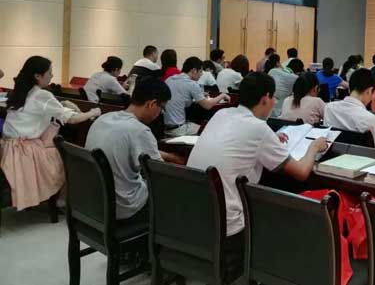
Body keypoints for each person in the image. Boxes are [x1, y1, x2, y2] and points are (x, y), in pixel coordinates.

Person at [187, 73, 328, 281]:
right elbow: (301, 172)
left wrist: (270, 139)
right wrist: (314, 147)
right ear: (265, 98)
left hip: (191, 218)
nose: (275, 102)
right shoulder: (258, 128)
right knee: (287, 215)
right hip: (227, 230)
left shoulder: (221, 114)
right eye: (274, 98)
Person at [1, 56, 101, 210]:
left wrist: (62, 104)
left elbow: (36, 108)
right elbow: (72, 119)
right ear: (37, 75)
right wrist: (93, 112)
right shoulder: (42, 95)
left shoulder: (20, 92)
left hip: (8, 148)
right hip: (24, 152)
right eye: (49, 72)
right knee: (68, 159)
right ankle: (62, 200)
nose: (52, 76)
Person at [85, 77, 183, 220]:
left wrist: (170, 156)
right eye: (162, 108)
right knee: (175, 187)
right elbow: (160, 176)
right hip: (123, 206)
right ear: (152, 104)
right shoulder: (140, 131)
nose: (160, 113)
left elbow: (137, 149)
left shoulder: (103, 119)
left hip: (92, 200)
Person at [163, 57, 230, 136]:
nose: (201, 74)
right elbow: (207, 105)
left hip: (165, 128)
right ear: (194, 71)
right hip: (179, 129)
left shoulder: (169, 79)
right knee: (210, 129)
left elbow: (180, 96)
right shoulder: (191, 84)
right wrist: (222, 95)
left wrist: (199, 95)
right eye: (200, 71)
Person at [324, 68, 375, 150]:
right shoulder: (370, 119)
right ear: (369, 91)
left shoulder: (329, 108)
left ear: (349, 89)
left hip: (330, 155)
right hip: (362, 157)